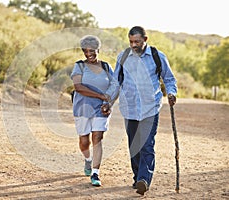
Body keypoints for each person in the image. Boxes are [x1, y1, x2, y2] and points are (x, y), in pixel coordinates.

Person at [102, 26, 177, 195]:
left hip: (150, 108)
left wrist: (172, 93)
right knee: (134, 145)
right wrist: (108, 102)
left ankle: (144, 179)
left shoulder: (157, 57)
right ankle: (137, 177)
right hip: (130, 109)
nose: (134, 45)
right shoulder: (124, 56)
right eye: (131, 41)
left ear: (145, 40)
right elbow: (116, 82)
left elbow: (169, 79)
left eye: (137, 41)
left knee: (147, 145)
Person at [70, 35, 117, 186]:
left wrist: (108, 102)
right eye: (85, 51)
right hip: (82, 108)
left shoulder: (106, 67)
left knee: (97, 138)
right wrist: (99, 95)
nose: (89, 54)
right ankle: (88, 160)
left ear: (98, 50)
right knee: (84, 141)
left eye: (92, 51)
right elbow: (78, 87)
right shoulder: (79, 66)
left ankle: (95, 173)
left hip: (100, 109)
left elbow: (115, 86)